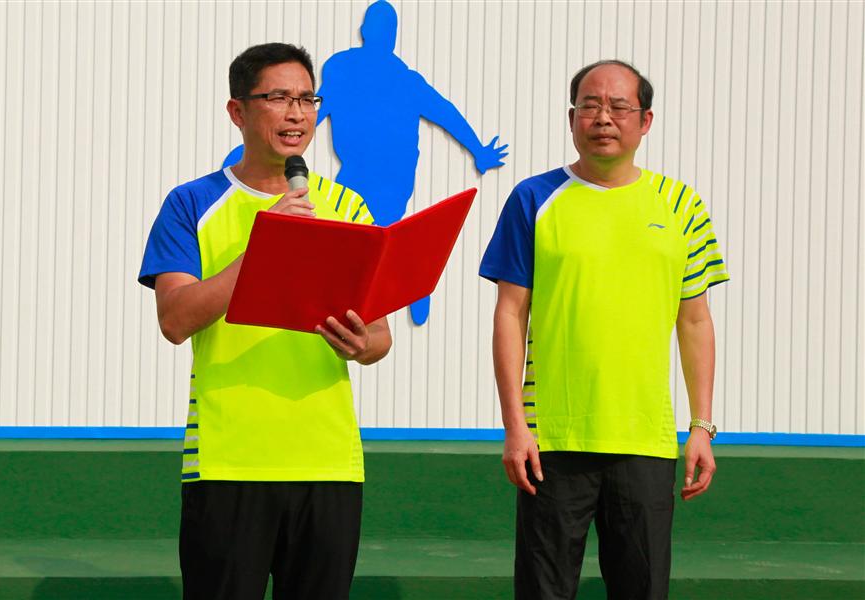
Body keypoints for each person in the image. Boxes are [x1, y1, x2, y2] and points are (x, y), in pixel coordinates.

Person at [138, 43, 392, 600]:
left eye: (307, 99)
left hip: (328, 464)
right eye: (278, 98)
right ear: (238, 111)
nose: (296, 114)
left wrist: (361, 343)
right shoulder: (191, 204)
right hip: (228, 463)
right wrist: (264, 247)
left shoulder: (349, 208)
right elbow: (175, 319)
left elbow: (380, 337)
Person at [479, 60, 729, 599]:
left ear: (645, 120)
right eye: (589, 105)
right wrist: (515, 427)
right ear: (572, 118)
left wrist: (701, 426)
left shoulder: (682, 206)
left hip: (645, 442)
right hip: (552, 441)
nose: (603, 118)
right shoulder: (533, 199)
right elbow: (509, 314)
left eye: (619, 107)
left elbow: (695, 320)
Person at [315, 0, 508, 324]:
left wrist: (478, 150)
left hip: (393, 175)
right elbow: (318, 111)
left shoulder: (403, 80)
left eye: (387, 31)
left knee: (375, 229)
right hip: (360, 170)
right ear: (367, 32)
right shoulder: (343, 69)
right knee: (351, 229)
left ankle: (410, 278)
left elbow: (446, 113)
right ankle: (409, 275)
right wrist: (279, 145)